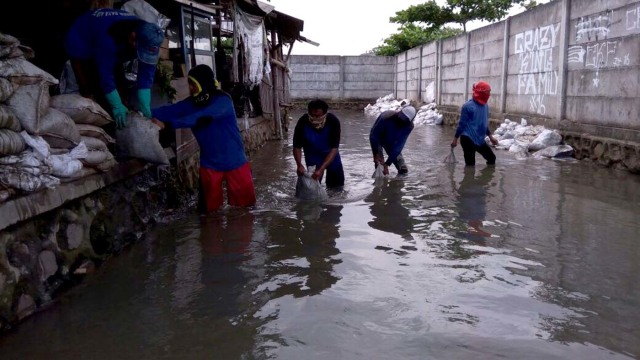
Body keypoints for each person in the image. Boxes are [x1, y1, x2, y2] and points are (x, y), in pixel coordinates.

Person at [150, 64, 256, 213]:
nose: (191, 88)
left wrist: (167, 124)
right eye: (190, 84)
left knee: (246, 212)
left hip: (236, 162)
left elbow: (199, 118)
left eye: (193, 84)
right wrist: (142, 113)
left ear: (203, 83)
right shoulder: (191, 103)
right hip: (210, 165)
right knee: (209, 215)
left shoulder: (223, 100)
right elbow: (169, 111)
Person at [64, 8, 165, 128]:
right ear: (132, 38)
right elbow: (105, 76)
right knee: (85, 87)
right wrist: (116, 105)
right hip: (81, 36)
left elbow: (147, 72)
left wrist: (145, 105)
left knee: (117, 81)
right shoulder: (109, 38)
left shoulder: (150, 36)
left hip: (110, 41)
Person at [292, 99, 344, 189]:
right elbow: (297, 146)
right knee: (312, 186)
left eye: (318, 116)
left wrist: (322, 168)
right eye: (312, 115)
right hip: (312, 157)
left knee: (336, 187)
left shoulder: (333, 121)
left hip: (331, 156)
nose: (315, 118)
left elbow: (334, 148)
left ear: (325, 114)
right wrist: (299, 164)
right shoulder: (302, 122)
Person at [451, 81, 499, 166]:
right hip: (468, 139)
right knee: (470, 166)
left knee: (492, 158)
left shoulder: (485, 106)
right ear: (481, 92)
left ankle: (485, 178)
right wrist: (455, 139)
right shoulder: (467, 106)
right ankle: (469, 179)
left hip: (479, 139)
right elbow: (461, 125)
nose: (489, 94)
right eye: (487, 92)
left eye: (489, 91)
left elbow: (484, 123)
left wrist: (491, 137)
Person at [369, 105, 417, 176]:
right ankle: (380, 183)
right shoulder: (385, 117)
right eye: (401, 117)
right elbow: (374, 136)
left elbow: (399, 146)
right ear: (399, 113)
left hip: (391, 142)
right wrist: (376, 154)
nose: (402, 120)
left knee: (403, 170)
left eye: (404, 120)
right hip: (377, 139)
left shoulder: (408, 127)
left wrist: (387, 163)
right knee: (380, 165)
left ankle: (398, 184)